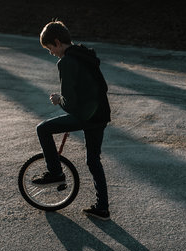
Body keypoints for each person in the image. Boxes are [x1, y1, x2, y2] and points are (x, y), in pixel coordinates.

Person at [33, 20, 111, 220]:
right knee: (93, 160)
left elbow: (70, 103)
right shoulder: (85, 54)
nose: (51, 53)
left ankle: (55, 172)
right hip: (100, 114)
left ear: (57, 42)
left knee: (43, 129)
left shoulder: (66, 62)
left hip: (86, 115)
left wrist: (59, 100)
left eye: (50, 48)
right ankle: (102, 208)